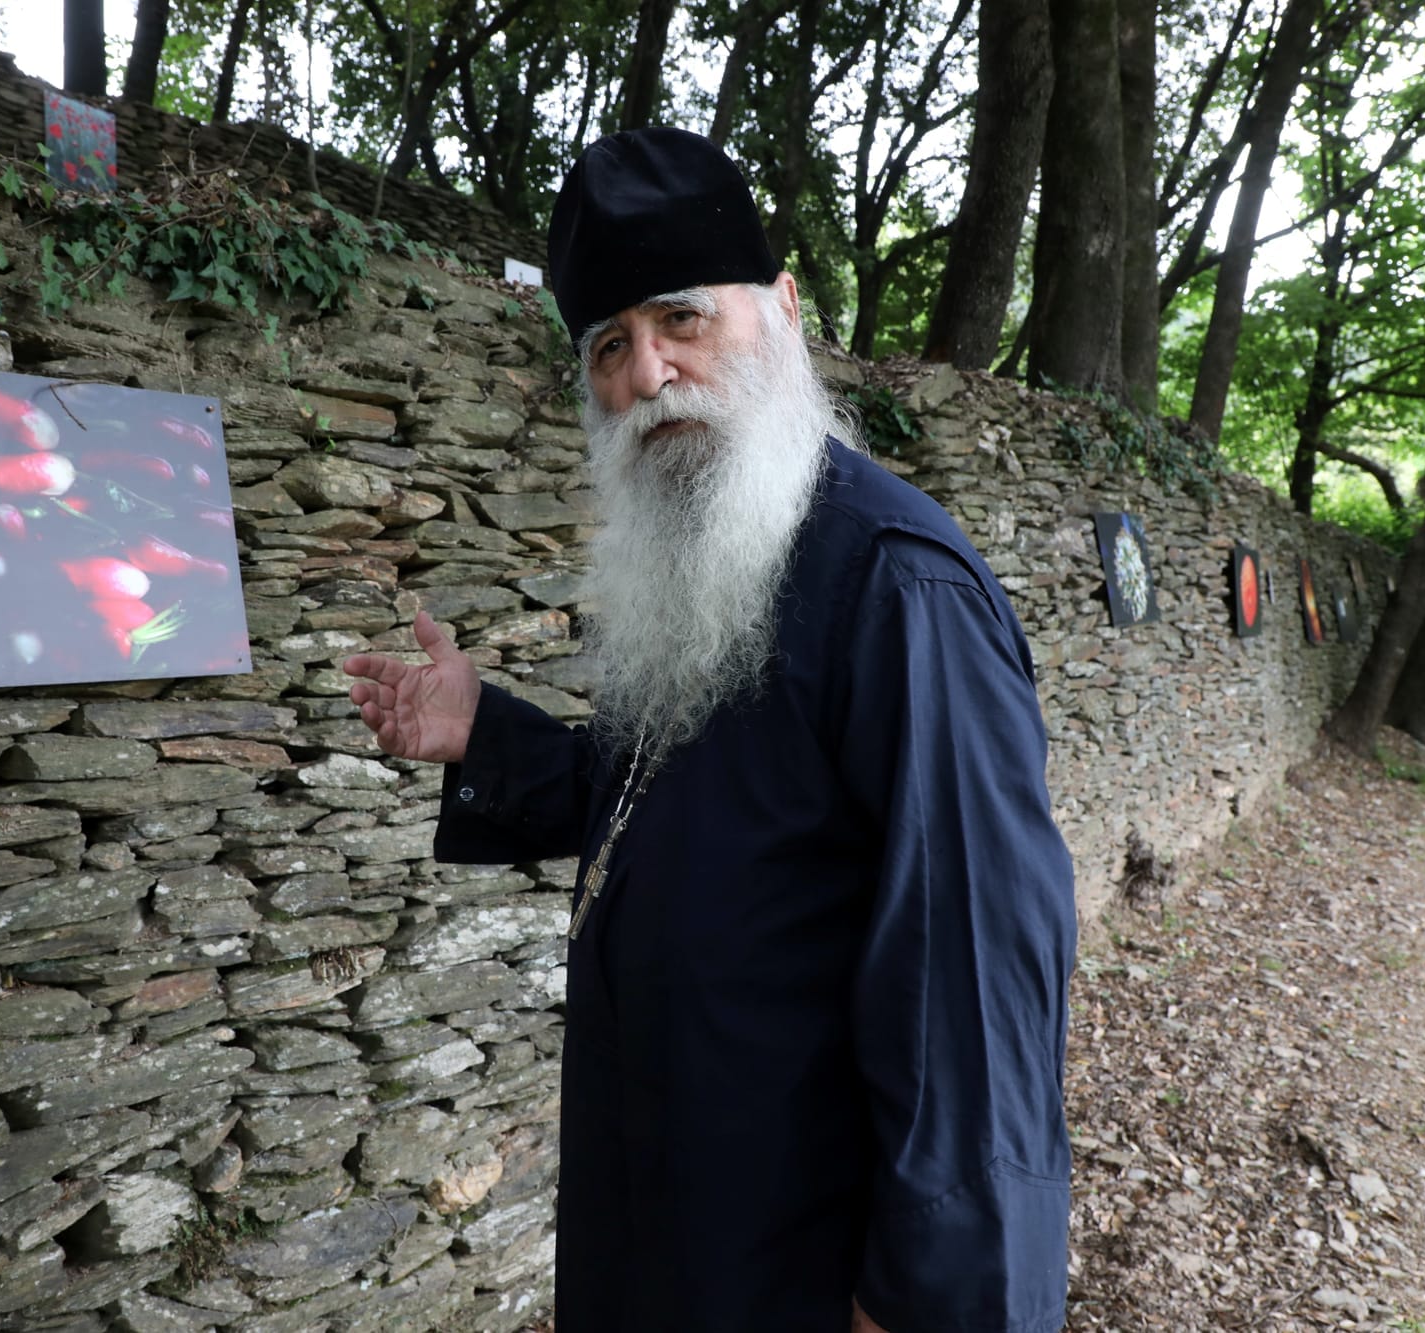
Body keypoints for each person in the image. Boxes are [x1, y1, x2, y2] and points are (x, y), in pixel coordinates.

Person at [342, 127, 1077, 1333]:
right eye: (608, 347)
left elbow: (976, 986)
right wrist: (489, 734)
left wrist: (932, 1299)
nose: (647, 374)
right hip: (670, 1232)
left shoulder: (895, 585)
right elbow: (687, 813)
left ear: (781, 311)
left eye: (681, 320)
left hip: (809, 1271)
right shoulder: (702, 575)